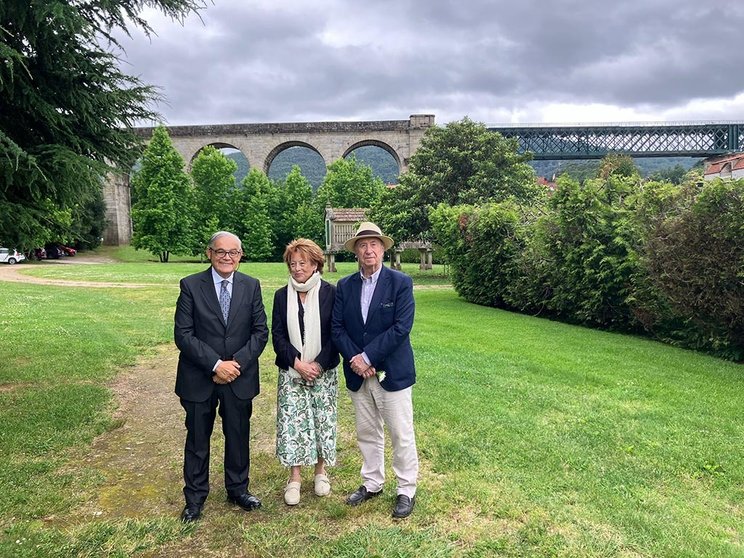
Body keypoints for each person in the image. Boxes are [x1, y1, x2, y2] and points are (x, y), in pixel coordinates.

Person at [174, 231, 269, 522]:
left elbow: (260, 331)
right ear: (209, 253)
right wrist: (216, 365)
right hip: (199, 378)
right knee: (198, 439)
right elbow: (183, 334)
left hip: (238, 378)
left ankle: (238, 490)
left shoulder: (251, 286)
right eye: (221, 251)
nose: (227, 257)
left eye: (233, 252)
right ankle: (195, 498)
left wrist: (233, 365)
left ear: (240, 256)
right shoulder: (191, 285)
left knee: (238, 436)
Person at [331, 222, 419, 519]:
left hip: (391, 373)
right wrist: (357, 358)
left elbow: (401, 328)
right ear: (355, 251)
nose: (368, 250)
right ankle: (372, 483)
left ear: (383, 249)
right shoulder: (345, 286)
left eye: (374, 244)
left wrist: (368, 356)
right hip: (358, 374)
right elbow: (337, 328)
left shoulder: (400, 283)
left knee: (400, 433)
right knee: (367, 432)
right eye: (362, 245)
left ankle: (406, 489)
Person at [272, 238, 340, 506]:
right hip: (292, 371)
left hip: (323, 370)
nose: (297, 268)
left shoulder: (330, 293)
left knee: (321, 420)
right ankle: (295, 478)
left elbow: (337, 333)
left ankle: (321, 473)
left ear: (315, 264)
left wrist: (318, 365)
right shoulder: (281, 295)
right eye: (293, 263)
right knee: (294, 424)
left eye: (303, 263)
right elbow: (277, 335)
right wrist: (298, 364)